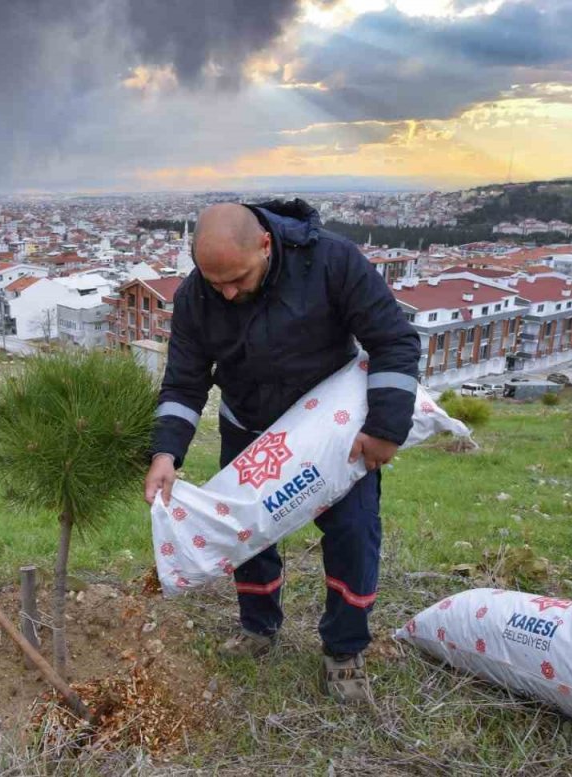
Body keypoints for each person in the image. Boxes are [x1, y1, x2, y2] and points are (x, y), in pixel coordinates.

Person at [144, 200, 420, 705]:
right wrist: (166, 454)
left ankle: (344, 649)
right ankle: (258, 627)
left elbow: (393, 340)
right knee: (245, 535)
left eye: (238, 279)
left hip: (328, 434)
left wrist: (385, 428)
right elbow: (183, 382)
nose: (227, 293)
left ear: (265, 245)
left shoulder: (332, 261)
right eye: (215, 283)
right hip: (249, 428)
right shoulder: (196, 296)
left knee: (354, 532)